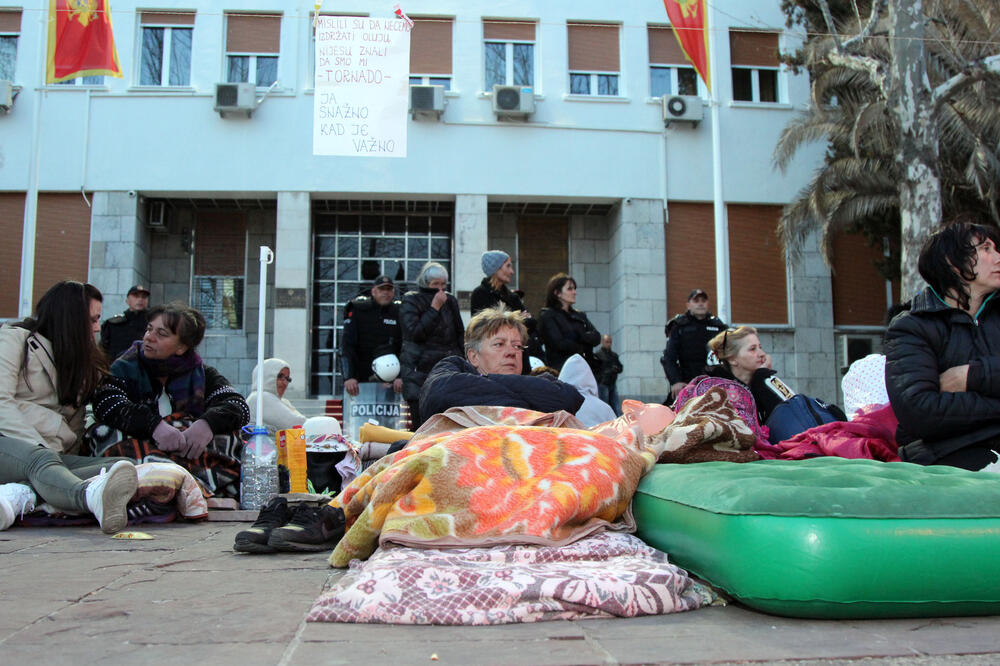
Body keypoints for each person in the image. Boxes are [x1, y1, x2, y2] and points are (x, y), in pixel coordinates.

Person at [0, 281, 138, 534]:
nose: (97, 328)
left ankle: (20, 494)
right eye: (92, 320)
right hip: (12, 444)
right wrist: (42, 451)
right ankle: (87, 497)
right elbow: (1, 404)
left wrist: (55, 460)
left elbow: (73, 429)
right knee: (41, 462)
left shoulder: (81, 365)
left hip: (48, 455)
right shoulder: (13, 340)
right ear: (69, 319)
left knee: (124, 466)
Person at [91, 303, 250, 497]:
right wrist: (153, 425)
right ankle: (178, 485)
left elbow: (237, 405)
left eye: (162, 334)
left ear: (181, 347)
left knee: (232, 439)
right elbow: (106, 403)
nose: (149, 337)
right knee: (107, 434)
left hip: (185, 452)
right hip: (141, 450)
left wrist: (207, 424)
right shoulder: (124, 367)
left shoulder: (202, 374)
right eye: (149, 329)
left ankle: (181, 486)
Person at [885, 220, 1000, 470]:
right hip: (946, 456)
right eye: (986, 249)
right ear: (953, 262)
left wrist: (971, 376)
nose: (997, 257)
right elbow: (920, 412)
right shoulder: (912, 327)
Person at [419, 306, 584, 418]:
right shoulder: (453, 367)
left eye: (517, 346)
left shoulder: (544, 380)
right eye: (499, 344)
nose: (512, 352)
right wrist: (530, 399)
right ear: (473, 356)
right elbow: (437, 394)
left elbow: (568, 399)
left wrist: (490, 381)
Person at [399, 262, 465, 428]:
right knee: (421, 425)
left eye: (443, 284)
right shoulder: (411, 300)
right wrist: (434, 308)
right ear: (425, 283)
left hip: (447, 370)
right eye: (435, 284)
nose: (440, 289)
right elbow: (415, 333)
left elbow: (459, 333)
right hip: (419, 372)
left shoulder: (450, 301)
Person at [470, 250, 542, 372]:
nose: (512, 272)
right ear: (496, 268)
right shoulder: (480, 294)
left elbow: (531, 323)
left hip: (519, 361)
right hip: (493, 362)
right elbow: (485, 330)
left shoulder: (512, 297)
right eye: (508, 266)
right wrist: (518, 319)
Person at [702, 326, 788, 425]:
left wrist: (764, 380)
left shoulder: (764, 378)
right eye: (752, 349)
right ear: (732, 359)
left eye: (760, 347)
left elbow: (795, 410)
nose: (762, 354)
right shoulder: (718, 391)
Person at [340, 275, 403, 397]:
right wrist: (349, 377)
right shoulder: (359, 310)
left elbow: (405, 348)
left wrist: (401, 376)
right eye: (381, 289)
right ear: (374, 291)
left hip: (391, 382)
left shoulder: (399, 312)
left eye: (389, 289)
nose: (385, 293)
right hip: (361, 382)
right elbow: (347, 346)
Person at [661, 289, 728, 401]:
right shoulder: (679, 326)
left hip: (714, 382)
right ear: (688, 305)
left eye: (703, 300)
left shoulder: (718, 326)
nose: (700, 304)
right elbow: (669, 357)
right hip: (686, 383)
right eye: (696, 301)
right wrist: (676, 381)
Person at [537, 273, 601, 372]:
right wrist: (584, 340)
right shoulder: (547, 315)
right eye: (570, 289)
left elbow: (596, 337)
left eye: (574, 289)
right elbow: (559, 344)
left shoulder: (580, 315)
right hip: (561, 369)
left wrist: (579, 338)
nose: (574, 292)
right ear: (557, 293)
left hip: (584, 368)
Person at [247, 358, 306, 431]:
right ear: (266, 375)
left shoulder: (282, 401)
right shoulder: (261, 397)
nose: (285, 383)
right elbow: (297, 424)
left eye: (288, 379)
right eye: (280, 376)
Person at [100, 284, 150, 362]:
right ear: (127, 300)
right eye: (136, 296)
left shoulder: (152, 324)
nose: (140, 299)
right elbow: (103, 350)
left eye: (144, 297)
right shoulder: (113, 324)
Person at [594, 334, 623, 416]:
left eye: (610, 342)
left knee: (616, 406)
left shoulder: (614, 355)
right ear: (602, 342)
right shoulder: (598, 355)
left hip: (612, 383)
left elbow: (620, 367)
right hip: (603, 384)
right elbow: (596, 370)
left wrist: (615, 369)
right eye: (607, 342)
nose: (609, 344)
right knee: (605, 406)